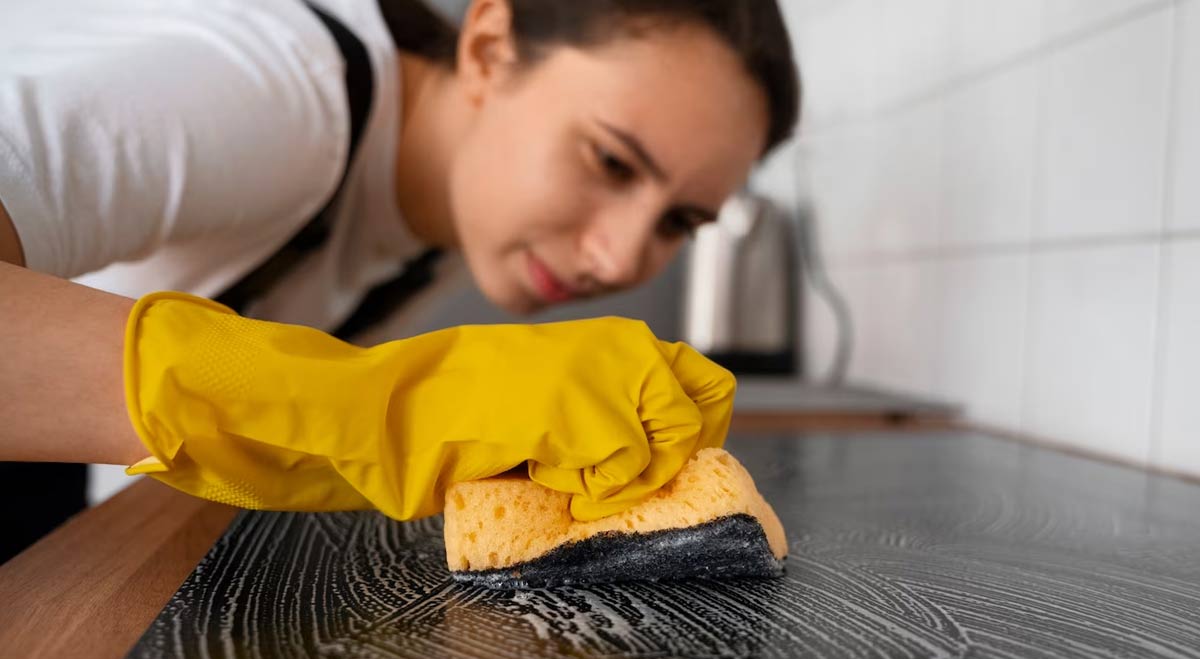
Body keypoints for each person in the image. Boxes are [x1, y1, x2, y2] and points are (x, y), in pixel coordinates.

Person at [0, 0, 800, 562]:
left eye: (678, 222)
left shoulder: (449, 225)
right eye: (610, 160)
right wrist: (383, 406)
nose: (622, 260)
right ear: (489, 49)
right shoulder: (273, 92)